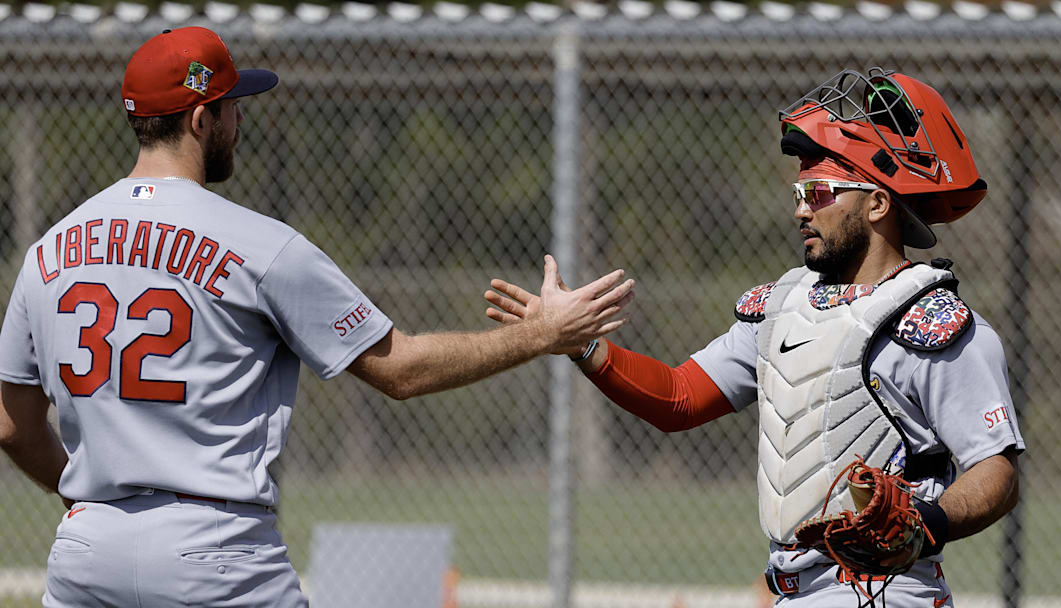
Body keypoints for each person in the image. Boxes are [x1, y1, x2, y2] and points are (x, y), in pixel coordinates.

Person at [0, 27, 634, 607]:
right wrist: (542, 332)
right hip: (214, 555)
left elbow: (11, 426)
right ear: (201, 118)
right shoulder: (259, 245)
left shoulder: (49, 251)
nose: (239, 118)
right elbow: (402, 370)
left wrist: (92, 503)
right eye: (232, 105)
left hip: (86, 556)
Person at [485, 68, 1023, 607]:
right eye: (798, 191)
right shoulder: (783, 306)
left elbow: (996, 470)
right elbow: (678, 396)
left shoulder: (934, 320)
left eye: (818, 191)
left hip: (884, 591)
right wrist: (577, 342)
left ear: (877, 204)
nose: (800, 209)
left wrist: (928, 521)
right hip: (791, 592)